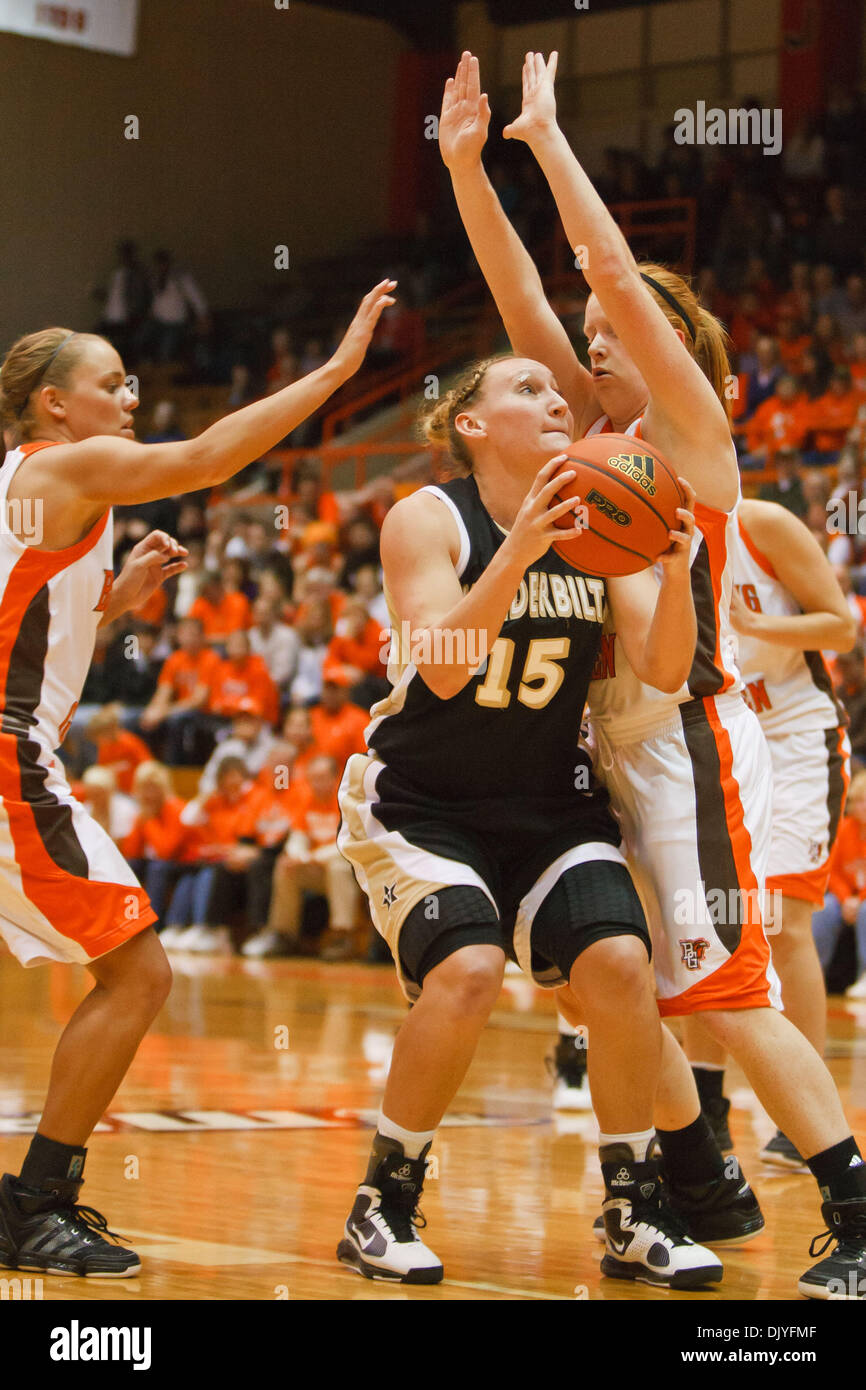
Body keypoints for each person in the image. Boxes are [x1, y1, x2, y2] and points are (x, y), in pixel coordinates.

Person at [440, 48, 866, 1297]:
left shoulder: (689, 442)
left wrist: (545, 140)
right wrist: (467, 169)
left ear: (668, 348)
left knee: (731, 994)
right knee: (613, 992)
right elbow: (525, 289)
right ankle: (697, 1174)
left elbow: (604, 272)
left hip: (687, 735)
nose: (589, 345)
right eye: (586, 343)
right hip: (598, 749)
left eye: (612, 337)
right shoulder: (599, 436)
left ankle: (850, 1206)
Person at [0, 277, 395, 1278]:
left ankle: (37, 1196)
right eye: (112, 383)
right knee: (138, 970)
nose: (130, 398)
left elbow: (24, 631)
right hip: (9, 755)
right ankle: (37, 1200)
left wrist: (109, 604)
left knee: (129, 969)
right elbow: (211, 458)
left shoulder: (23, 480)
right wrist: (343, 370)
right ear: (55, 402)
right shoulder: (75, 462)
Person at [335, 344, 744, 1290]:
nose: (557, 399)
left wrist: (676, 570)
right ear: (471, 425)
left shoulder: (603, 523)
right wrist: (521, 546)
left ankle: (634, 1205)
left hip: (549, 803)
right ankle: (384, 1203)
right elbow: (441, 664)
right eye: (528, 389)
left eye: (560, 390)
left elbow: (666, 666)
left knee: (619, 965)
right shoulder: (427, 518)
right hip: (422, 803)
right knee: (470, 969)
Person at [682, 499, 854, 1167]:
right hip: (725, 740)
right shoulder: (658, 533)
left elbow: (840, 627)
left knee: (783, 921)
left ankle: (807, 1121)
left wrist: (758, 625)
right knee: (710, 921)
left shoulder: (762, 524)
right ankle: (710, 1108)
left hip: (796, 736)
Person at [812, 771, 866, 999]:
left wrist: (859, 900)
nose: (859, 807)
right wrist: (846, 900)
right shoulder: (844, 828)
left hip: (861, 901)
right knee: (823, 908)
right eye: (857, 801)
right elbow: (831, 872)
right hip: (846, 897)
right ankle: (815, 975)